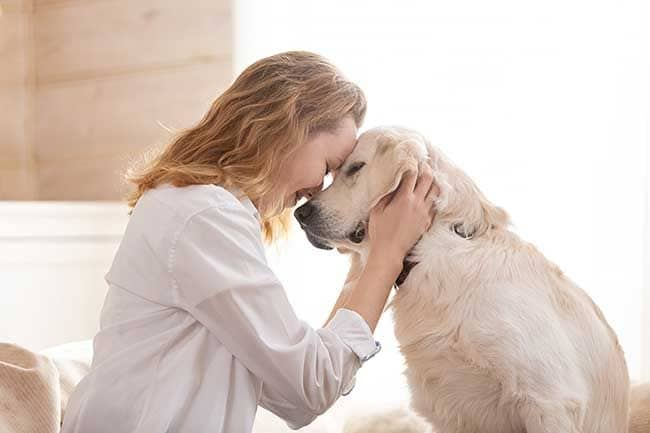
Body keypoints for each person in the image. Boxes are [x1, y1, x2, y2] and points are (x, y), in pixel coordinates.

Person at [61, 51, 436, 433]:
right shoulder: (203, 216)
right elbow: (310, 387)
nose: (317, 191)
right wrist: (387, 257)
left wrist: (367, 257)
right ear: (287, 127)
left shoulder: (201, 209)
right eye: (327, 167)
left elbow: (293, 391)